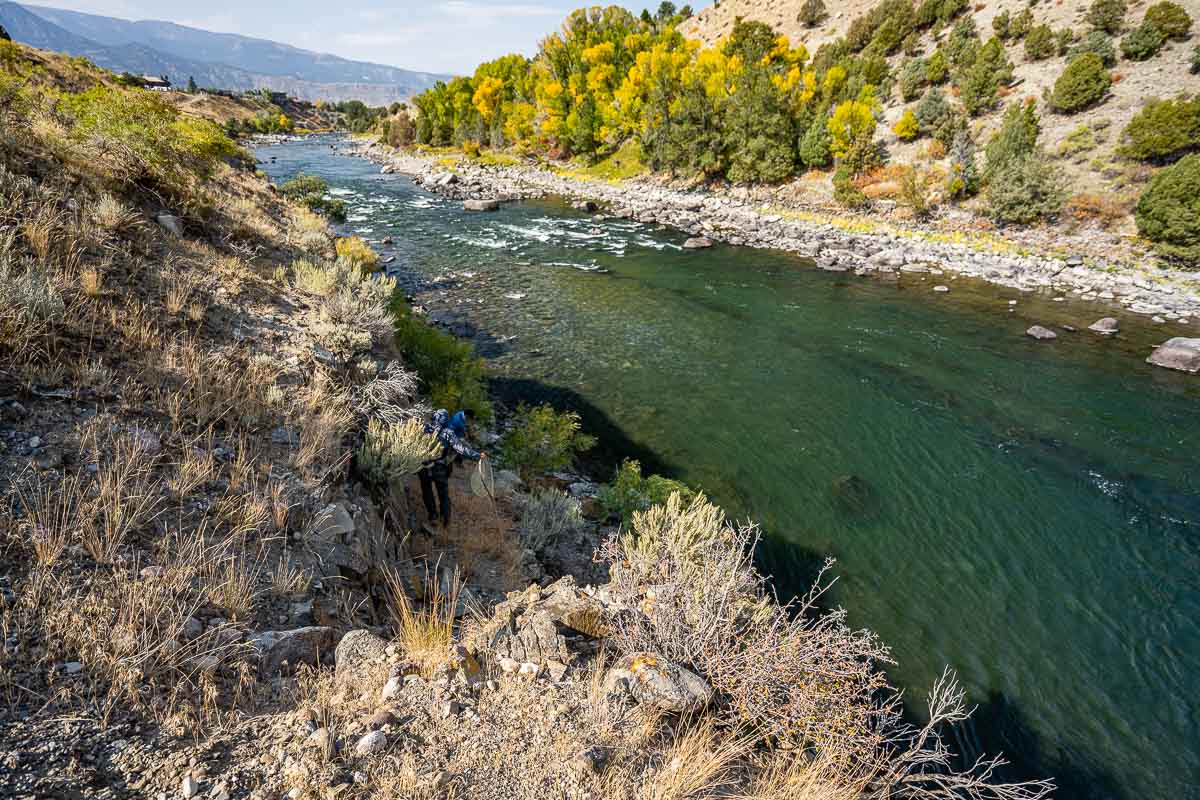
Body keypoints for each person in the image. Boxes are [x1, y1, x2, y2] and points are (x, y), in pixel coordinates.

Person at [417, 409, 485, 530]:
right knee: (443, 494)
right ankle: (445, 521)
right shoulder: (448, 432)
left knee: (427, 491)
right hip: (438, 466)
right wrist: (477, 456)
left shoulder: (424, 427)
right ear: (446, 420)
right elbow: (461, 449)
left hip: (423, 465)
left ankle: (432, 516)